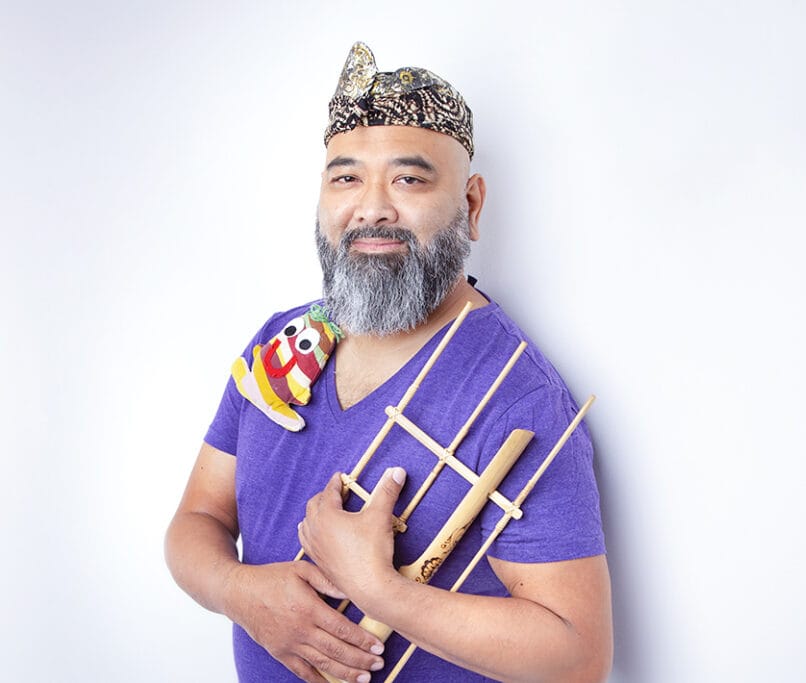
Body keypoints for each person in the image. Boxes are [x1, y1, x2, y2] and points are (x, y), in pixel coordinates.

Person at [165, 41, 613, 683]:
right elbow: (196, 521)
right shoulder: (282, 345)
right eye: (346, 177)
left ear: (473, 205)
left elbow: (579, 658)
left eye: (408, 178)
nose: (372, 206)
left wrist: (379, 590)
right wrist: (243, 594)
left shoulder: (517, 400)